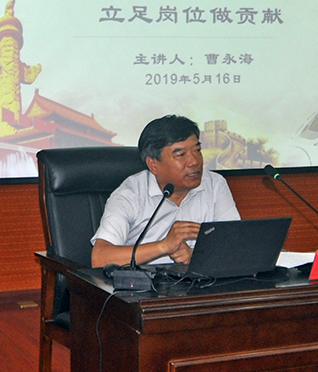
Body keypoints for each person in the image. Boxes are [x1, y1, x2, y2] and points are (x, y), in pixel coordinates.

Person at [90, 115, 240, 268]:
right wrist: (163, 246)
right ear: (153, 164)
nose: (194, 161)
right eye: (180, 155)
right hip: (143, 280)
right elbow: (99, 258)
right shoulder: (130, 195)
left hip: (200, 279)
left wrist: (195, 255)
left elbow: (237, 246)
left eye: (197, 150)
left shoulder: (215, 184)